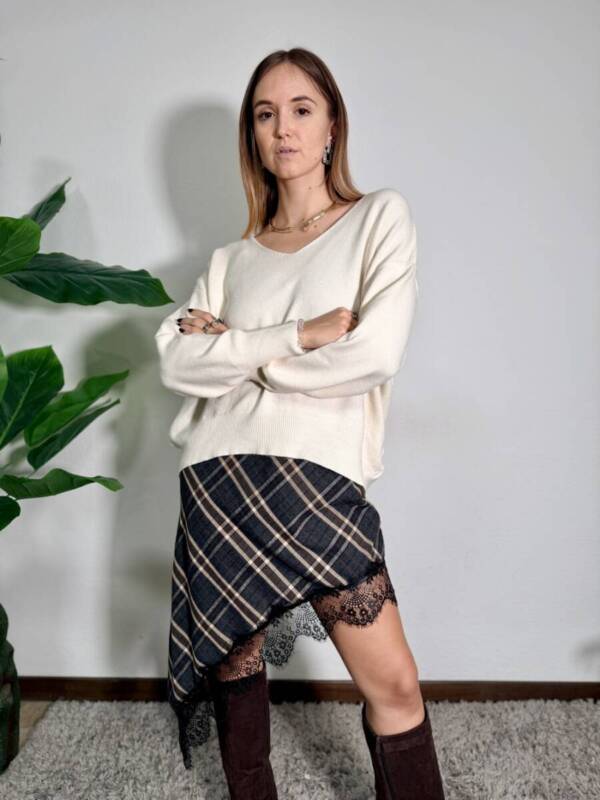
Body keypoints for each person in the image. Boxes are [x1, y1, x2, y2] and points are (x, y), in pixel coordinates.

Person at [155, 46, 446, 800]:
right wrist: (298, 337)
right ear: (252, 136)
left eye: (301, 109)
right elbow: (176, 363)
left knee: (395, 686)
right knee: (236, 669)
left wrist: (239, 350)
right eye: (265, 114)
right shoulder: (229, 260)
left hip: (315, 477)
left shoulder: (378, 217)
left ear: (331, 126)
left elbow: (372, 355)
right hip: (219, 475)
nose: (282, 128)